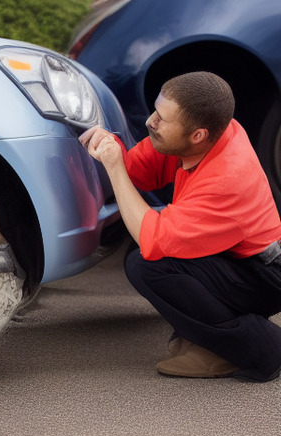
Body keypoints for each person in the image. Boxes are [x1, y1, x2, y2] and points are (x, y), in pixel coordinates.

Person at [79, 71, 281, 382]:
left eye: (162, 119)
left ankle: (256, 348)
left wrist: (115, 167)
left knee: (148, 264)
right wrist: (113, 149)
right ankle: (207, 336)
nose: (150, 121)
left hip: (264, 275)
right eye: (156, 110)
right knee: (145, 244)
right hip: (236, 258)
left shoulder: (227, 179)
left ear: (197, 135)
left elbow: (153, 240)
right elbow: (141, 172)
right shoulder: (208, 133)